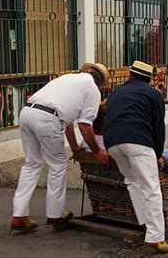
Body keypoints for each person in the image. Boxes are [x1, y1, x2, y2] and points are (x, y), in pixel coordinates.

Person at [11, 63, 110, 232]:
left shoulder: (67, 79)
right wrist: (98, 151)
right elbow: (85, 126)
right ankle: (55, 214)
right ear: (101, 83)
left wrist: (74, 147)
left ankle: (19, 215)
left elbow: (68, 121)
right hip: (47, 119)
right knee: (57, 165)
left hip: (27, 113)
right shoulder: (92, 89)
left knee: (31, 164)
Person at [102, 61, 168, 253]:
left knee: (132, 182)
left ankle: (145, 225)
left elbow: (107, 117)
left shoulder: (116, 92)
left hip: (113, 143)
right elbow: (158, 128)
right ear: (149, 79)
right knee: (151, 188)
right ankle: (156, 237)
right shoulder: (154, 94)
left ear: (131, 75)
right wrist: (157, 154)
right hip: (138, 141)